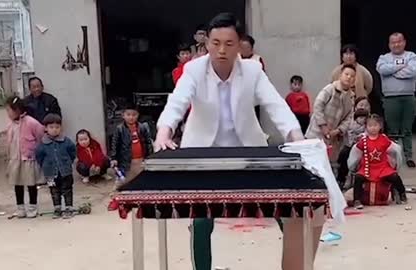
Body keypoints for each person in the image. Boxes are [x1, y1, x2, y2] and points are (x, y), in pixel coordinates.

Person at [154, 12, 310, 270]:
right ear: (206, 45)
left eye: (229, 43)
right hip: (203, 154)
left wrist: (296, 137)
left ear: (240, 46)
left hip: (248, 152)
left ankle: (295, 265)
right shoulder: (193, 70)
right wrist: (164, 131)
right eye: (215, 43)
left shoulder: (252, 70)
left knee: (282, 208)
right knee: (202, 219)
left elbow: (275, 105)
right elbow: (177, 102)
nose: (222, 50)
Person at [376, 32, 416, 168]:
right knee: (392, 129)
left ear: (404, 42)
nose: (396, 44)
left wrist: (392, 71)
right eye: (393, 42)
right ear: (389, 44)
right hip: (390, 98)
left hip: (408, 96)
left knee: (407, 128)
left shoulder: (412, 56)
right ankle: (392, 156)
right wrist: (400, 67)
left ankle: (408, 156)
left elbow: (412, 71)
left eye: (399, 41)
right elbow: (382, 69)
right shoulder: (383, 58)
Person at [347, 114, 407, 209]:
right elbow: (355, 153)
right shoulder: (363, 141)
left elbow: (395, 150)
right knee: (358, 178)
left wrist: (395, 164)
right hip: (367, 168)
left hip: (383, 167)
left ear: (380, 126)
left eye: (375, 125)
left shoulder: (384, 139)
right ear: (366, 127)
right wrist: (353, 166)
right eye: (370, 126)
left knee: (394, 176)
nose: (373, 128)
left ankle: (402, 193)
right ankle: (357, 200)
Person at [5, 96, 45, 218]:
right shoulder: (11, 125)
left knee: (31, 183)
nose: (7, 114)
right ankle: (20, 207)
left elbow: (40, 136)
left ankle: (32, 207)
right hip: (15, 159)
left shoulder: (31, 122)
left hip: (28, 159)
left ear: (17, 110)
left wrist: (35, 152)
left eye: (8, 111)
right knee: (17, 183)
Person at [306, 64, 356, 162]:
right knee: (311, 160)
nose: (349, 77)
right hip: (317, 131)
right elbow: (318, 105)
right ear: (340, 75)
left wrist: (338, 131)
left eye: (352, 76)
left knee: (328, 162)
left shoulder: (351, 97)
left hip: (333, 136)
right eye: (346, 74)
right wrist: (323, 125)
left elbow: (349, 118)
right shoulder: (330, 89)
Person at [35, 114, 76, 219]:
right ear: (46, 128)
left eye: (57, 127)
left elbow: (72, 152)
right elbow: (39, 157)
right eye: (51, 127)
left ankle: (69, 208)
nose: (54, 130)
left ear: (60, 128)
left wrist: (67, 162)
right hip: (50, 173)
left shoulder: (66, 141)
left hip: (65, 171)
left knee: (67, 189)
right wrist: (45, 166)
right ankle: (57, 209)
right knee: (54, 190)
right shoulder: (43, 144)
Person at [109, 103, 153, 184]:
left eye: (134, 115)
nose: (131, 117)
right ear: (123, 115)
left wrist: (150, 156)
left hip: (140, 158)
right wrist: (114, 158)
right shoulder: (119, 129)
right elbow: (115, 144)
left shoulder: (142, 127)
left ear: (138, 115)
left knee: (140, 178)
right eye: (128, 115)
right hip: (126, 159)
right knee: (125, 180)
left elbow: (148, 142)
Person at [336, 108, 369, 189]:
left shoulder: (367, 127)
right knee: (344, 155)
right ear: (356, 118)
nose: (362, 120)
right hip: (349, 146)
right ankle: (341, 179)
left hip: (362, 148)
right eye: (360, 118)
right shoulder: (350, 125)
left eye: (364, 118)